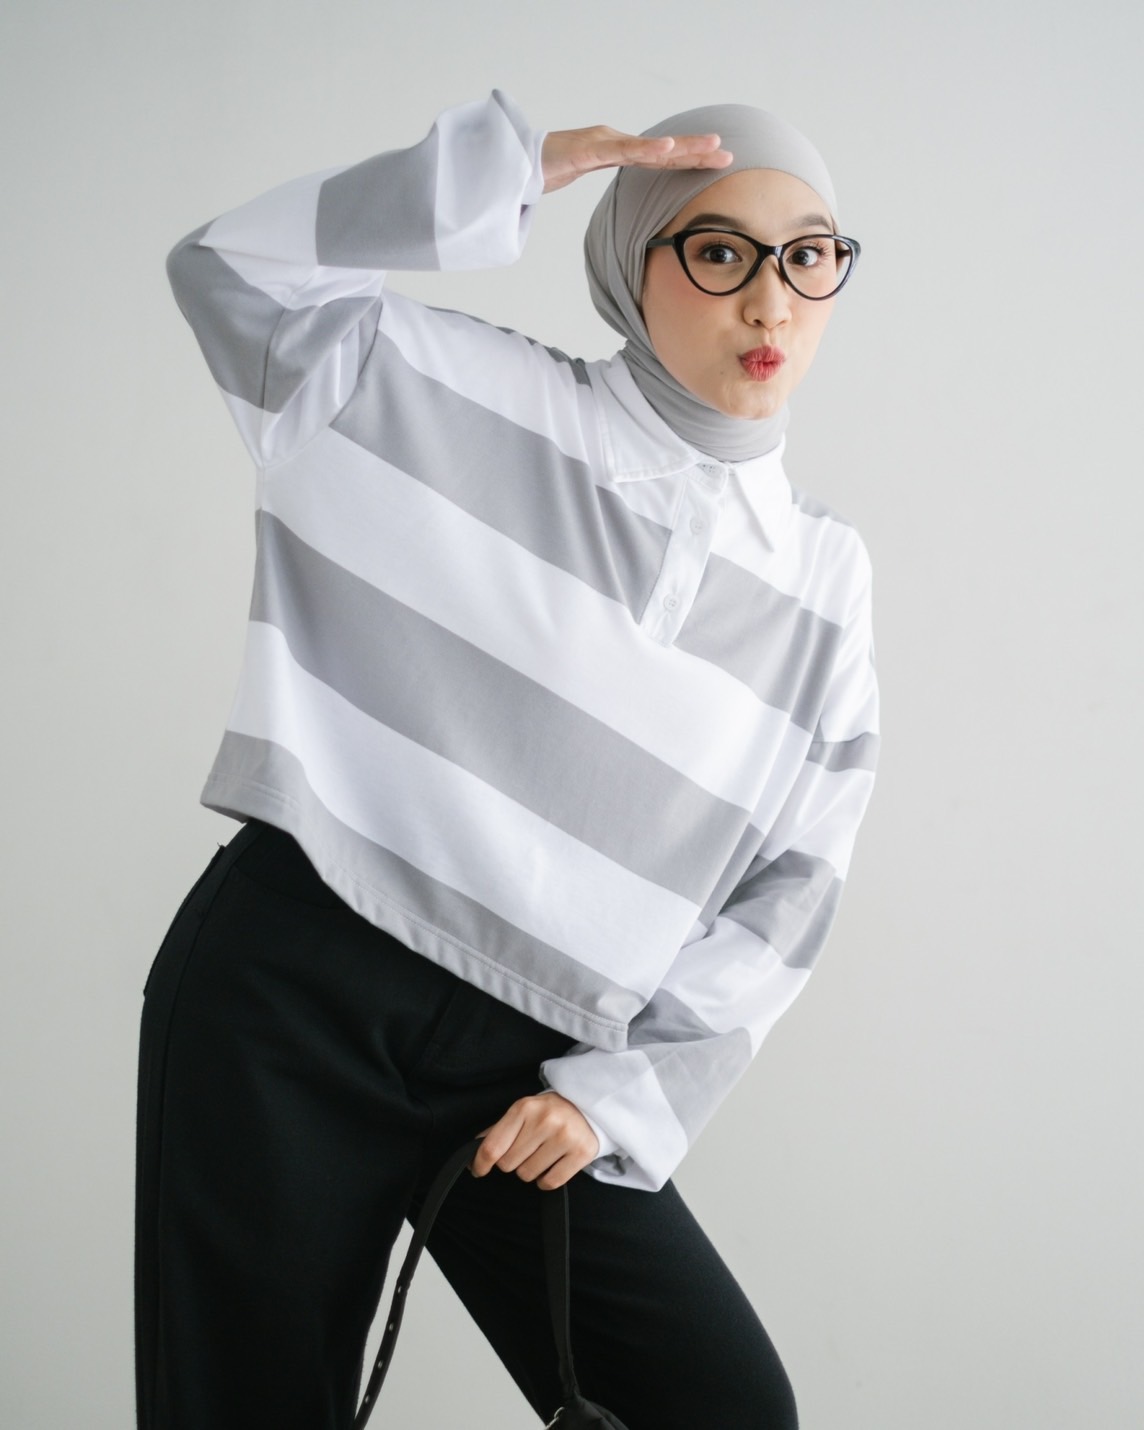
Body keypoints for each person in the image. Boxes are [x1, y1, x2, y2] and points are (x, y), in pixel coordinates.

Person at [136, 90, 879, 1430]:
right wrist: (508, 173)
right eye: (719, 251)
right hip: (294, 991)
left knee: (722, 1410)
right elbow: (224, 269)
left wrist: (621, 1099)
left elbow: (796, 885)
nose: (771, 300)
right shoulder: (445, 390)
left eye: (808, 255)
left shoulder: (824, 578)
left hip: (541, 1061)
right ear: (634, 258)